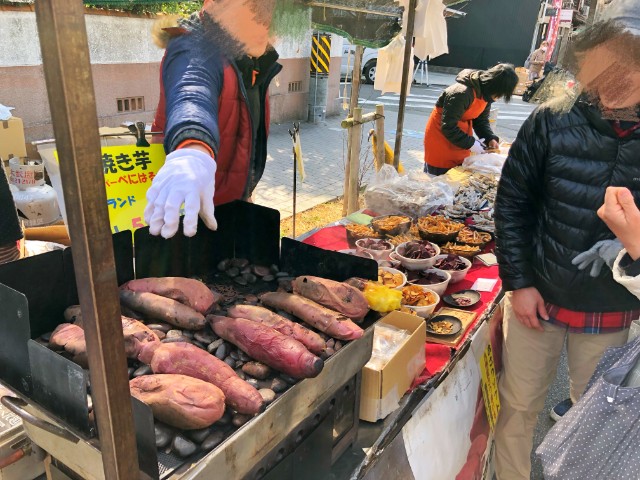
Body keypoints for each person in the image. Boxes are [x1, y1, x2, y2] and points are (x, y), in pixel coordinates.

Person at [493, 0, 640, 478]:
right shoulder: (552, 119)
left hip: (613, 305)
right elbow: (513, 203)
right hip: (540, 298)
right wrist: (519, 282)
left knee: (593, 415)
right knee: (519, 407)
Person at [145, 0, 281, 239]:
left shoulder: (251, 58)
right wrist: (192, 151)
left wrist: (245, 192)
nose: (265, 25)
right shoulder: (193, 44)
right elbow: (192, 91)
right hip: (189, 202)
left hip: (232, 201)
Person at [423, 64, 519, 176]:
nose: (498, 98)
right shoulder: (461, 93)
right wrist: (471, 143)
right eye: (499, 94)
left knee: (456, 178)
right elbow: (448, 126)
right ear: (494, 86)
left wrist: (489, 138)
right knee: (438, 181)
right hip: (441, 139)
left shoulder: (486, 95)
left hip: (461, 140)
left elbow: (481, 121)